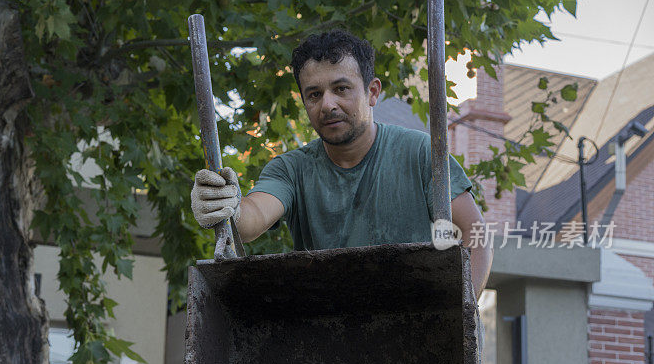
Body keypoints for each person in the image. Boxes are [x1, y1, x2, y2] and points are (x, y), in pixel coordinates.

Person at [190, 30, 492, 297]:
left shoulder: (422, 154)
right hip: (327, 341)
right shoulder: (291, 169)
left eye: (341, 89)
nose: (327, 104)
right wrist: (228, 205)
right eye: (314, 94)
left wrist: (463, 314)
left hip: (418, 332)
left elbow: (475, 235)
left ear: (372, 92)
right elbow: (251, 219)